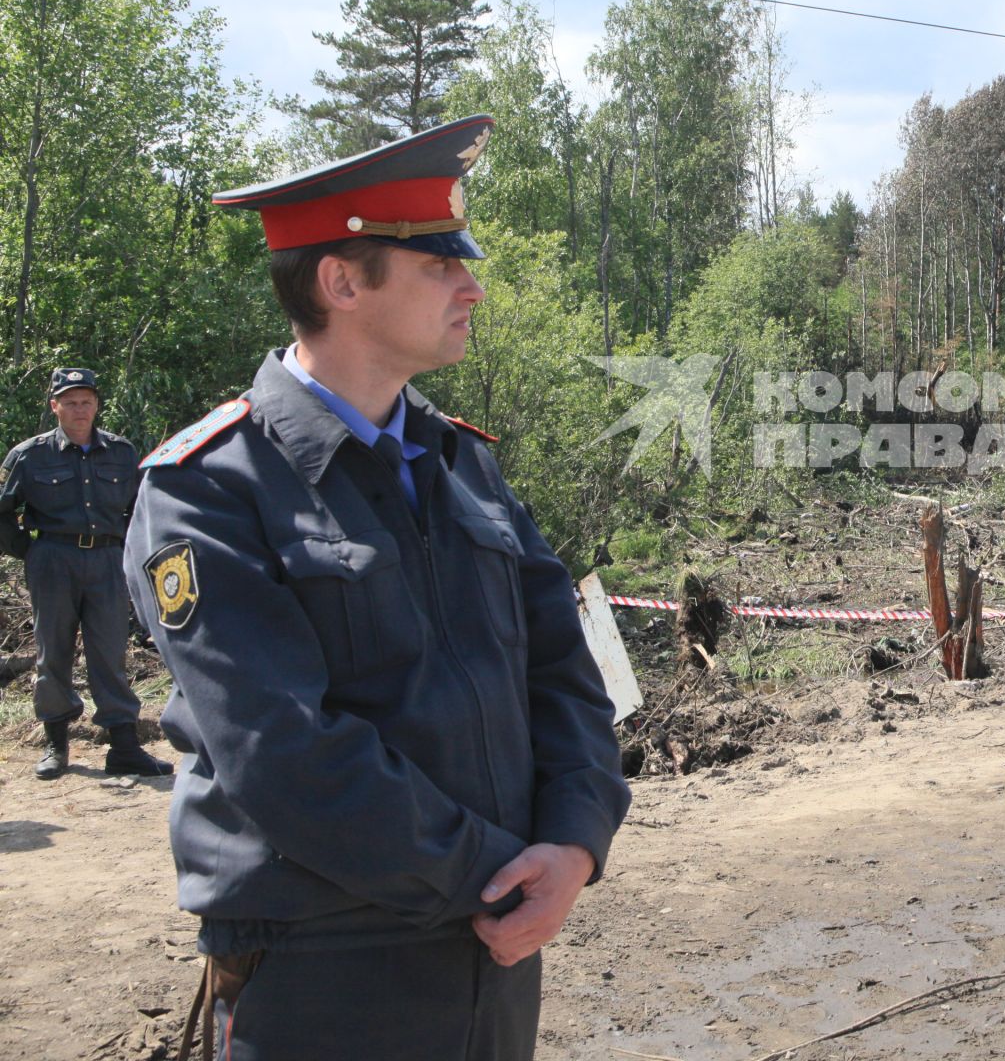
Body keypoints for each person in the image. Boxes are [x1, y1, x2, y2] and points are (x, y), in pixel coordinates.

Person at [125, 115, 631, 1061]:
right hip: (327, 963)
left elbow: (567, 673)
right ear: (342, 280)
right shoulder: (206, 487)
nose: (472, 284)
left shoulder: (462, 463)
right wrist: (498, 873)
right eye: (439, 260)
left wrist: (573, 842)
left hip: (496, 950)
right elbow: (282, 752)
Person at [0, 367, 172, 780]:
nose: (80, 410)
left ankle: (125, 748)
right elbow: (3, 512)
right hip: (53, 560)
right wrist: (31, 551)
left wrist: (133, 553)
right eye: (70, 402)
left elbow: (140, 509)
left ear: (96, 405)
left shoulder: (122, 452)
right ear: (55, 406)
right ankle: (56, 745)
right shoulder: (29, 455)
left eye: (86, 401)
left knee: (110, 653)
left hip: (107, 562)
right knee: (53, 652)